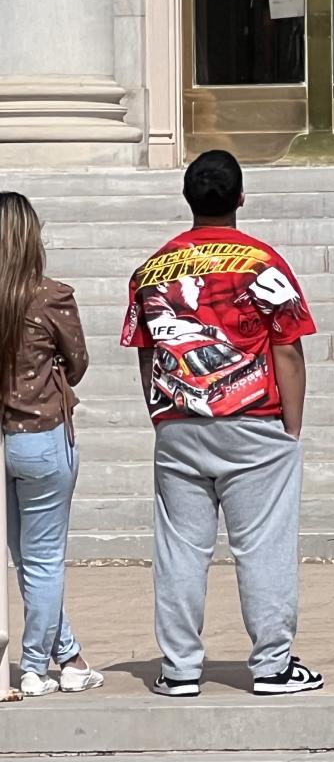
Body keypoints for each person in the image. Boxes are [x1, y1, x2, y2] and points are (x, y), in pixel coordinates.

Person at [120, 150, 323, 696]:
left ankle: (180, 667)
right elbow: (288, 350)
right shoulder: (261, 263)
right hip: (253, 421)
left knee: (181, 548)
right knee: (263, 545)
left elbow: (145, 351)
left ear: (189, 199)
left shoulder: (153, 268)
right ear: (239, 198)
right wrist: (291, 427)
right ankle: (272, 665)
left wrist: (159, 413)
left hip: (178, 422)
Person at [0, 193, 103, 697]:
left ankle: (70, 657)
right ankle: (36, 667)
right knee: (42, 561)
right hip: (42, 436)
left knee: (28, 559)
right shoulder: (50, 296)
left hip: (3, 438)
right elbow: (78, 361)